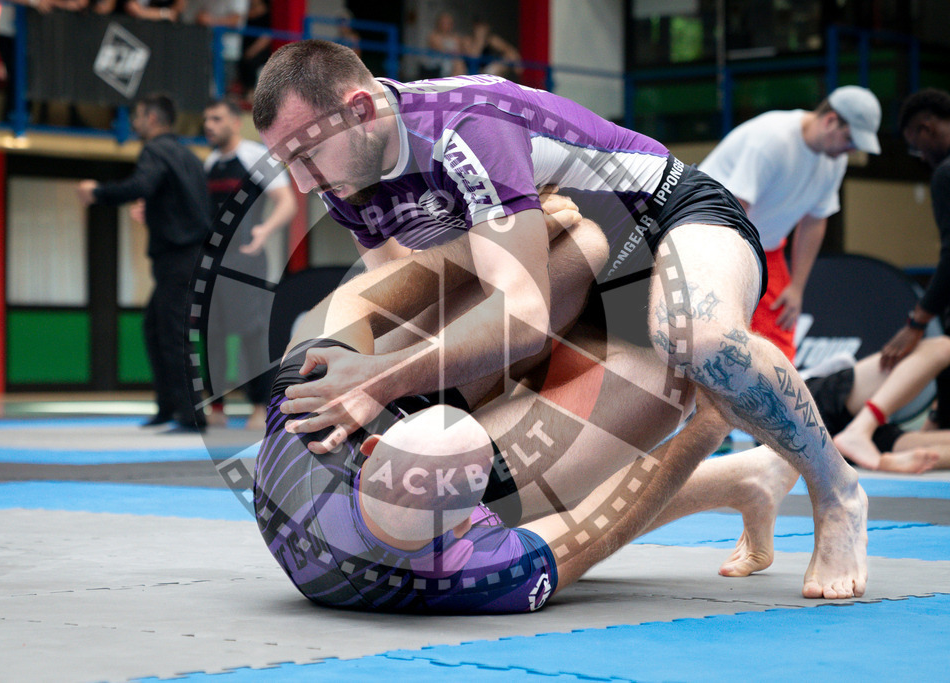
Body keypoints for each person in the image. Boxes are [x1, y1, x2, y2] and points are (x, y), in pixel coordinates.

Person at [252, 40, 867, 599]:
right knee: (524, 495)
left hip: (661, 221)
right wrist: (400, 370)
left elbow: (520, 311)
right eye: (289, 166)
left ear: (360, 109)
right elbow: (418, 303)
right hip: (567, 279)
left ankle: (836, 488)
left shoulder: (464, 128)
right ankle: (747, 477)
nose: (304, 186)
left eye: (306, 157)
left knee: (696, 338)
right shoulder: (344, 172)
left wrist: (379, 377)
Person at [254, 198, 799, 612]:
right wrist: (708, 424)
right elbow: (593, 529)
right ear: (473, 523)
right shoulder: (468, 574)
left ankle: (743, 479)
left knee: (578, 242)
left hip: (354, 438)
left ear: (372, 442)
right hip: (411, 505)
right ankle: (741, 479)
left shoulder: (300, 408)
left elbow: (359, 296)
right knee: (671, 382)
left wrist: (500, 241)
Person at [699, 86, 882, 361]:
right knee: (715, 338)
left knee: (779, 349)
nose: (851, 149)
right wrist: (732, 277)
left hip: (763, 249)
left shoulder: (835, 160)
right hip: (709, 241)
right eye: (849, 139)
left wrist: (797, 287)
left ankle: (774, 404)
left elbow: (815, 221)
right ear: (831, 120)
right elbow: (734, 210)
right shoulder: (772, 139)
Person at [77, 93, 212, 432]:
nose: (134, 123)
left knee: (172, 333)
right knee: (155, 326)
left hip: (179, 257)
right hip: (190, 254)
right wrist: (154, 213)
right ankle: (168, 406)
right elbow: (182, 204)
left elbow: (142, 184)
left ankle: (191, 413)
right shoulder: (190, 157)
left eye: (137, 117)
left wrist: (98, 192)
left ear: (151, 119)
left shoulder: (155, 150)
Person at [202, 97, 296, 429]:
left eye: (216, 119)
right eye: (206, 120)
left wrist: (263, 232)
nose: (209, 126)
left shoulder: (255, 157)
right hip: (213, 263)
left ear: (234, 122)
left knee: (251, 335)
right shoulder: (210, 163)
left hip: (246, 261)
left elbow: (287, 203)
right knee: (211, 334)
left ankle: (260, 406)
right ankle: (216, 408)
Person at [881, 88, 950, 426]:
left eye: (915, 145)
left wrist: (917, 323)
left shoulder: (945, 173)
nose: (920, 156)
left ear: (926, 128)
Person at [805, 337, 950, 473]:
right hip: (802, 409)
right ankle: (861, 429)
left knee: (943, 346)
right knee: (943, 347)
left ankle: (861, 431)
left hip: (817, 440)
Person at [419, 12, 466, 79]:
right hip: (436, 61)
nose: (446, 25)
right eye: (444, 23)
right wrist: (453, 53)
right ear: (439, 23)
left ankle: (456, 85)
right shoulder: (433, 35)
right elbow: (440, 49)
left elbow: (461, 50)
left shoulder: (456, 37)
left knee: (459, 63)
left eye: (449, 23)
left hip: (453, 61)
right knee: (452, 63)